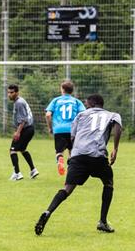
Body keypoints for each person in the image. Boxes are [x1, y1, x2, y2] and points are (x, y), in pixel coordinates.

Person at [35, 94, 122, 235]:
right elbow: (118, 127)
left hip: (78, 155)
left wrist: (73, 157)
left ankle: (48, 211)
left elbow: (73, 137)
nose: (86, 106)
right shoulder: (112, 115)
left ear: (93, 104)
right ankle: (103, 222)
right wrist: (115, 148)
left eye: (87, 104)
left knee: (67, 189)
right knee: (108, 183)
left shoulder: (80, 115)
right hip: (97, 155)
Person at [45, 80, 85, 175]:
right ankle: (71, 171)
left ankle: (60, 160)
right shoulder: (76, 101)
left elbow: (48, 114)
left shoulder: (56, 100)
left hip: (59, 130)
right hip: (72, 130)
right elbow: (83, 115)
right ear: (72, 90)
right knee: (72, 152)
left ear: (62, 89)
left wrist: (50, 127)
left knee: (59, 151)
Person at [7, 84, 38, 180]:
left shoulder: (19, 103)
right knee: (22, 149)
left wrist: (18, 132)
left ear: (17, 92)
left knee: (12, 150)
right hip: (29, 129)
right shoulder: (19, 101)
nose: (9, 94)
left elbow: (23, 120)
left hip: (26, 129)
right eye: (8, 92)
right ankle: (33, 170)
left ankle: (17, 173)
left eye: (11, 92)